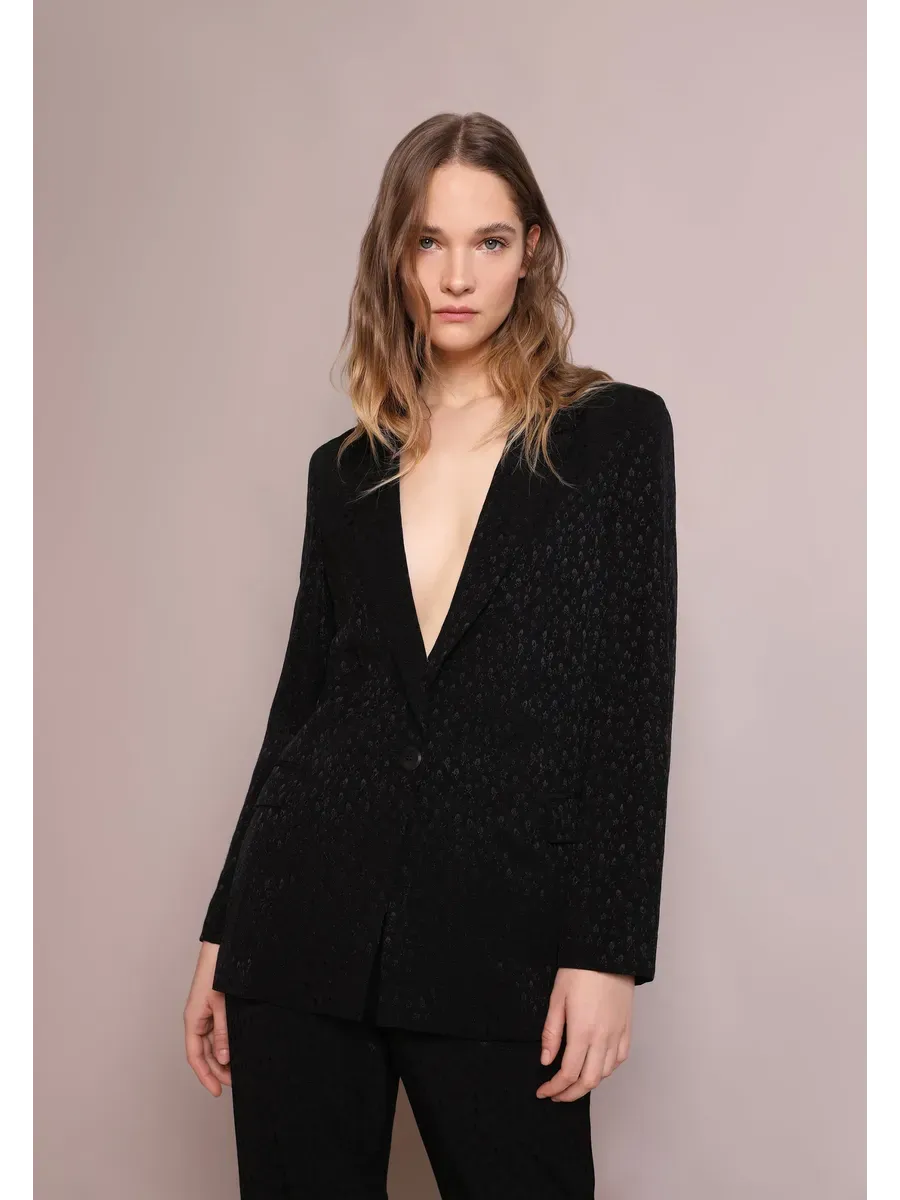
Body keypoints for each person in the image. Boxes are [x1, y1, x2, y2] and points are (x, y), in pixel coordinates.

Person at [183, 111, 678, 1199]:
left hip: (501, 934)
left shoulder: (614, 436)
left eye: (488, 242)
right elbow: (301, 705)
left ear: (530, 251)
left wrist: (607, 951)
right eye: (429, 241)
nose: (457, 276)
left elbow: (631, 705)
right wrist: (225, 931)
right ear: (395, 256)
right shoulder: (343, 470)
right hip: (301, 926)